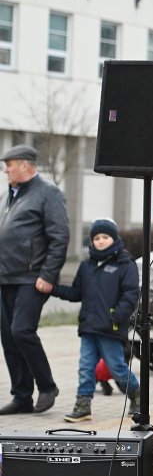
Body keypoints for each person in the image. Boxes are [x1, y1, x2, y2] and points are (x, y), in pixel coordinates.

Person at [0, 144, 69, 415]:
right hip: (7, 277)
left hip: (33, 277)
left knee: (22, 330)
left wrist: (48, 274)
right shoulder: (9, 196)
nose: (6, 169)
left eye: (10, 164)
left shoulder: (47, 193)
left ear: (26, 165)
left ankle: (47, 386)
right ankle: (21, 396)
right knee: (9, 337)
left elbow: (60, 236)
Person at [52, 218, 140, 422]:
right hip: (89, 327)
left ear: (114, 238)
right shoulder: (86, 266)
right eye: (96, 238)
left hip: (110, 327)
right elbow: (76, 293)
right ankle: (83, 405)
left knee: (116, 367)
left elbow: (130, 295)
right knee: (85, 366)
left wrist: (116, 316)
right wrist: (54, 288)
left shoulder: (125, 264)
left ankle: (137, 395)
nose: (100, 241)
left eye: (105, 237)